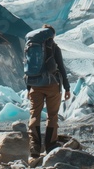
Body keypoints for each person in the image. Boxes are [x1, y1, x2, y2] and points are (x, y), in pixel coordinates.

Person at [27, 24, 70, 159]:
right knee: (52, 115)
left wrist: (29, 88)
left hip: (35, 85)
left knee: (35, 115)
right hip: (52, 85)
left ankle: (35, 146)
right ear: (52, 35)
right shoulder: (54, 48)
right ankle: (50, 145)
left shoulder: (32, 46)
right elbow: (61, 68)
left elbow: (27, 67)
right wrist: (67, 88)